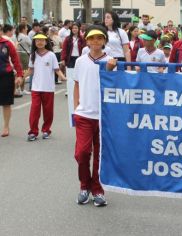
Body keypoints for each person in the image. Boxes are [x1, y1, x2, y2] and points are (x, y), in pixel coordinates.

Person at [73, 25, 116, 206]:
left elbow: (114, 85)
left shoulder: (111, 61)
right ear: (87, 41)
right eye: (92, 38)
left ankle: (97, 189)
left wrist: (110, 69)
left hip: (104, 116)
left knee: (100, 156)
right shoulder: (80, 61)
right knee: (82, 153)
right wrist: (76, 108)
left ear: (104, 40)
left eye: (99, 38)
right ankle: (84, 185)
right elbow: (76, 84)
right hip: (84, 115)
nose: (96, 41)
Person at [27, 33, 66, 141]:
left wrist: (63, 77)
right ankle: (33, 132)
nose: (39, 42)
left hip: (48, 88)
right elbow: (30, 70)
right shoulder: (33, 55)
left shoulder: (51, 55)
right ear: (34, 42)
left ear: (46, 42)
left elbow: (56, 69)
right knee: (34, 111)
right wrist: (20, 76)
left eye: (42, 40)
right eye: (37, 40)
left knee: (48, 111)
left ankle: (46, 130)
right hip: (36, 88)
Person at [0, 25, 23, 137]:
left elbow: (15, 59)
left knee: (6, 103)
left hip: (5, 75)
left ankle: (6, 126)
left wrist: (19, 75)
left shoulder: (7, 43)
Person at [16, 23, 32, 95]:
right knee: (24, 72)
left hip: (18, 54)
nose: (27, 29)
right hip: (25, 54)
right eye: (26, 27)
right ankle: (21, 89)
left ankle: (18, 88)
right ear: (23, 29)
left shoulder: (17, 35)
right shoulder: (25, 36)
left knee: (19, 72)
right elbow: (31, 44)